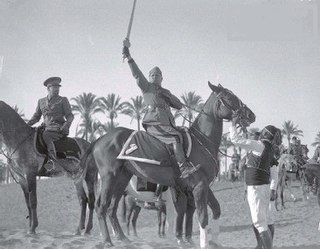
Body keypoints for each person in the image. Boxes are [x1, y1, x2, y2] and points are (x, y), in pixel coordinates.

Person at [122, 38, 200, 179]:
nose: (154, 77)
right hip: (155, 123)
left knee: (184, 134)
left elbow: (179, 105)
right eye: (152, 75)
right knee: (175, 137)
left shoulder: (165, 91)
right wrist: (129, 57)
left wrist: (168, 97)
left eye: (157, 75)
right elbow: (136, 74)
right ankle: (183, 167)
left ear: (162, 78)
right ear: (149, 78)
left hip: (167, 124)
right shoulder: (146, 87)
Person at [230, 118, 282, 249]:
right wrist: (273, 189)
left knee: (259, 223)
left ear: (264, 134)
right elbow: (275, 173)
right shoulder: (270, 151)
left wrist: (233, 124)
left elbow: (235, 140)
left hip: (255, 188)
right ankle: (260, 246)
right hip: (264, 188)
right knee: (267, 221)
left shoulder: (259, 145)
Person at [27, 77, 74, 170]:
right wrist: (27, 125)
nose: (57, 89)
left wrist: (66, 125)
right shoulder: (41, 101)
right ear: (48, 88)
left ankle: (52, 161)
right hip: (45, 127)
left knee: (46, 135)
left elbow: (70, 116)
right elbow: (36, 117)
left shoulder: (63, 100)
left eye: (58, 87)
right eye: (55, 87)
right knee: (33, 136)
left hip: (58, 128)